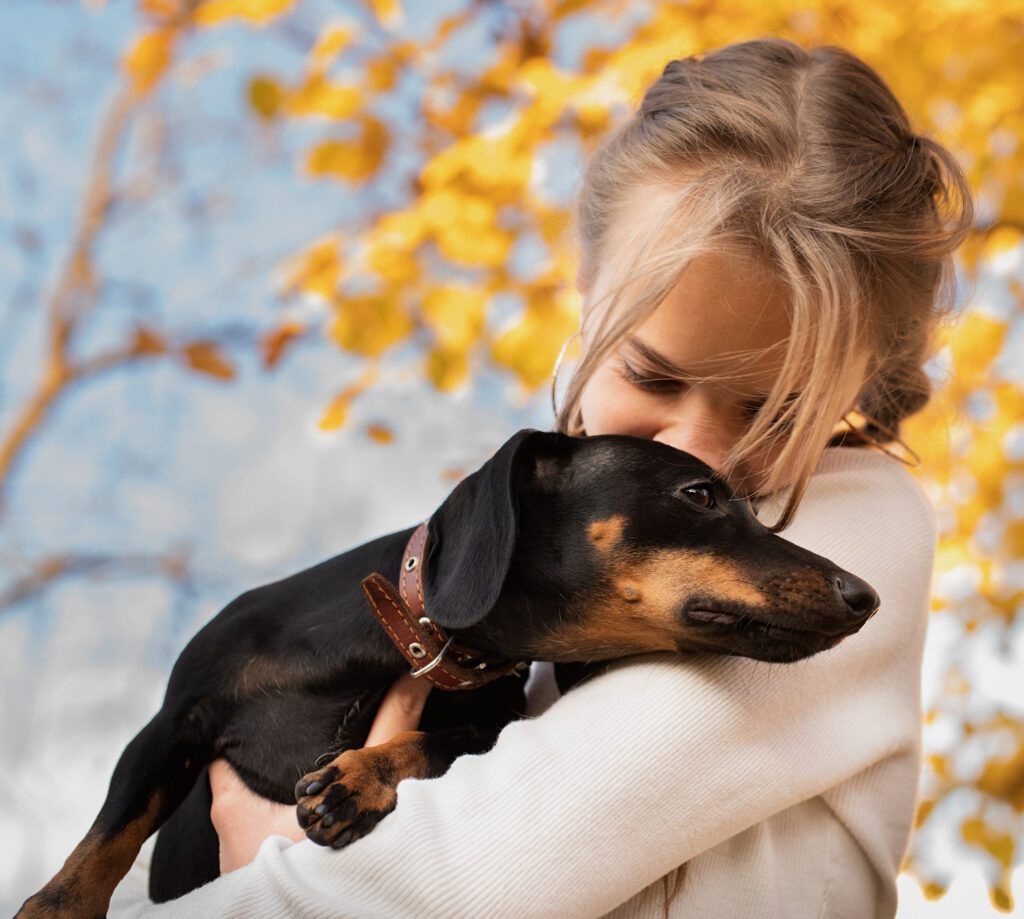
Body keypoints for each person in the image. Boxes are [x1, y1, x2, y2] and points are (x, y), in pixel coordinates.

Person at [109, 36, 973, 917]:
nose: (703, 453)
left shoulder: (849, 524)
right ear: (586, 286)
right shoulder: (540, 570)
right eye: (653, 375)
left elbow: (475, 876)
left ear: (855, 385)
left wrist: (271, 874)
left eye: (775, 411)